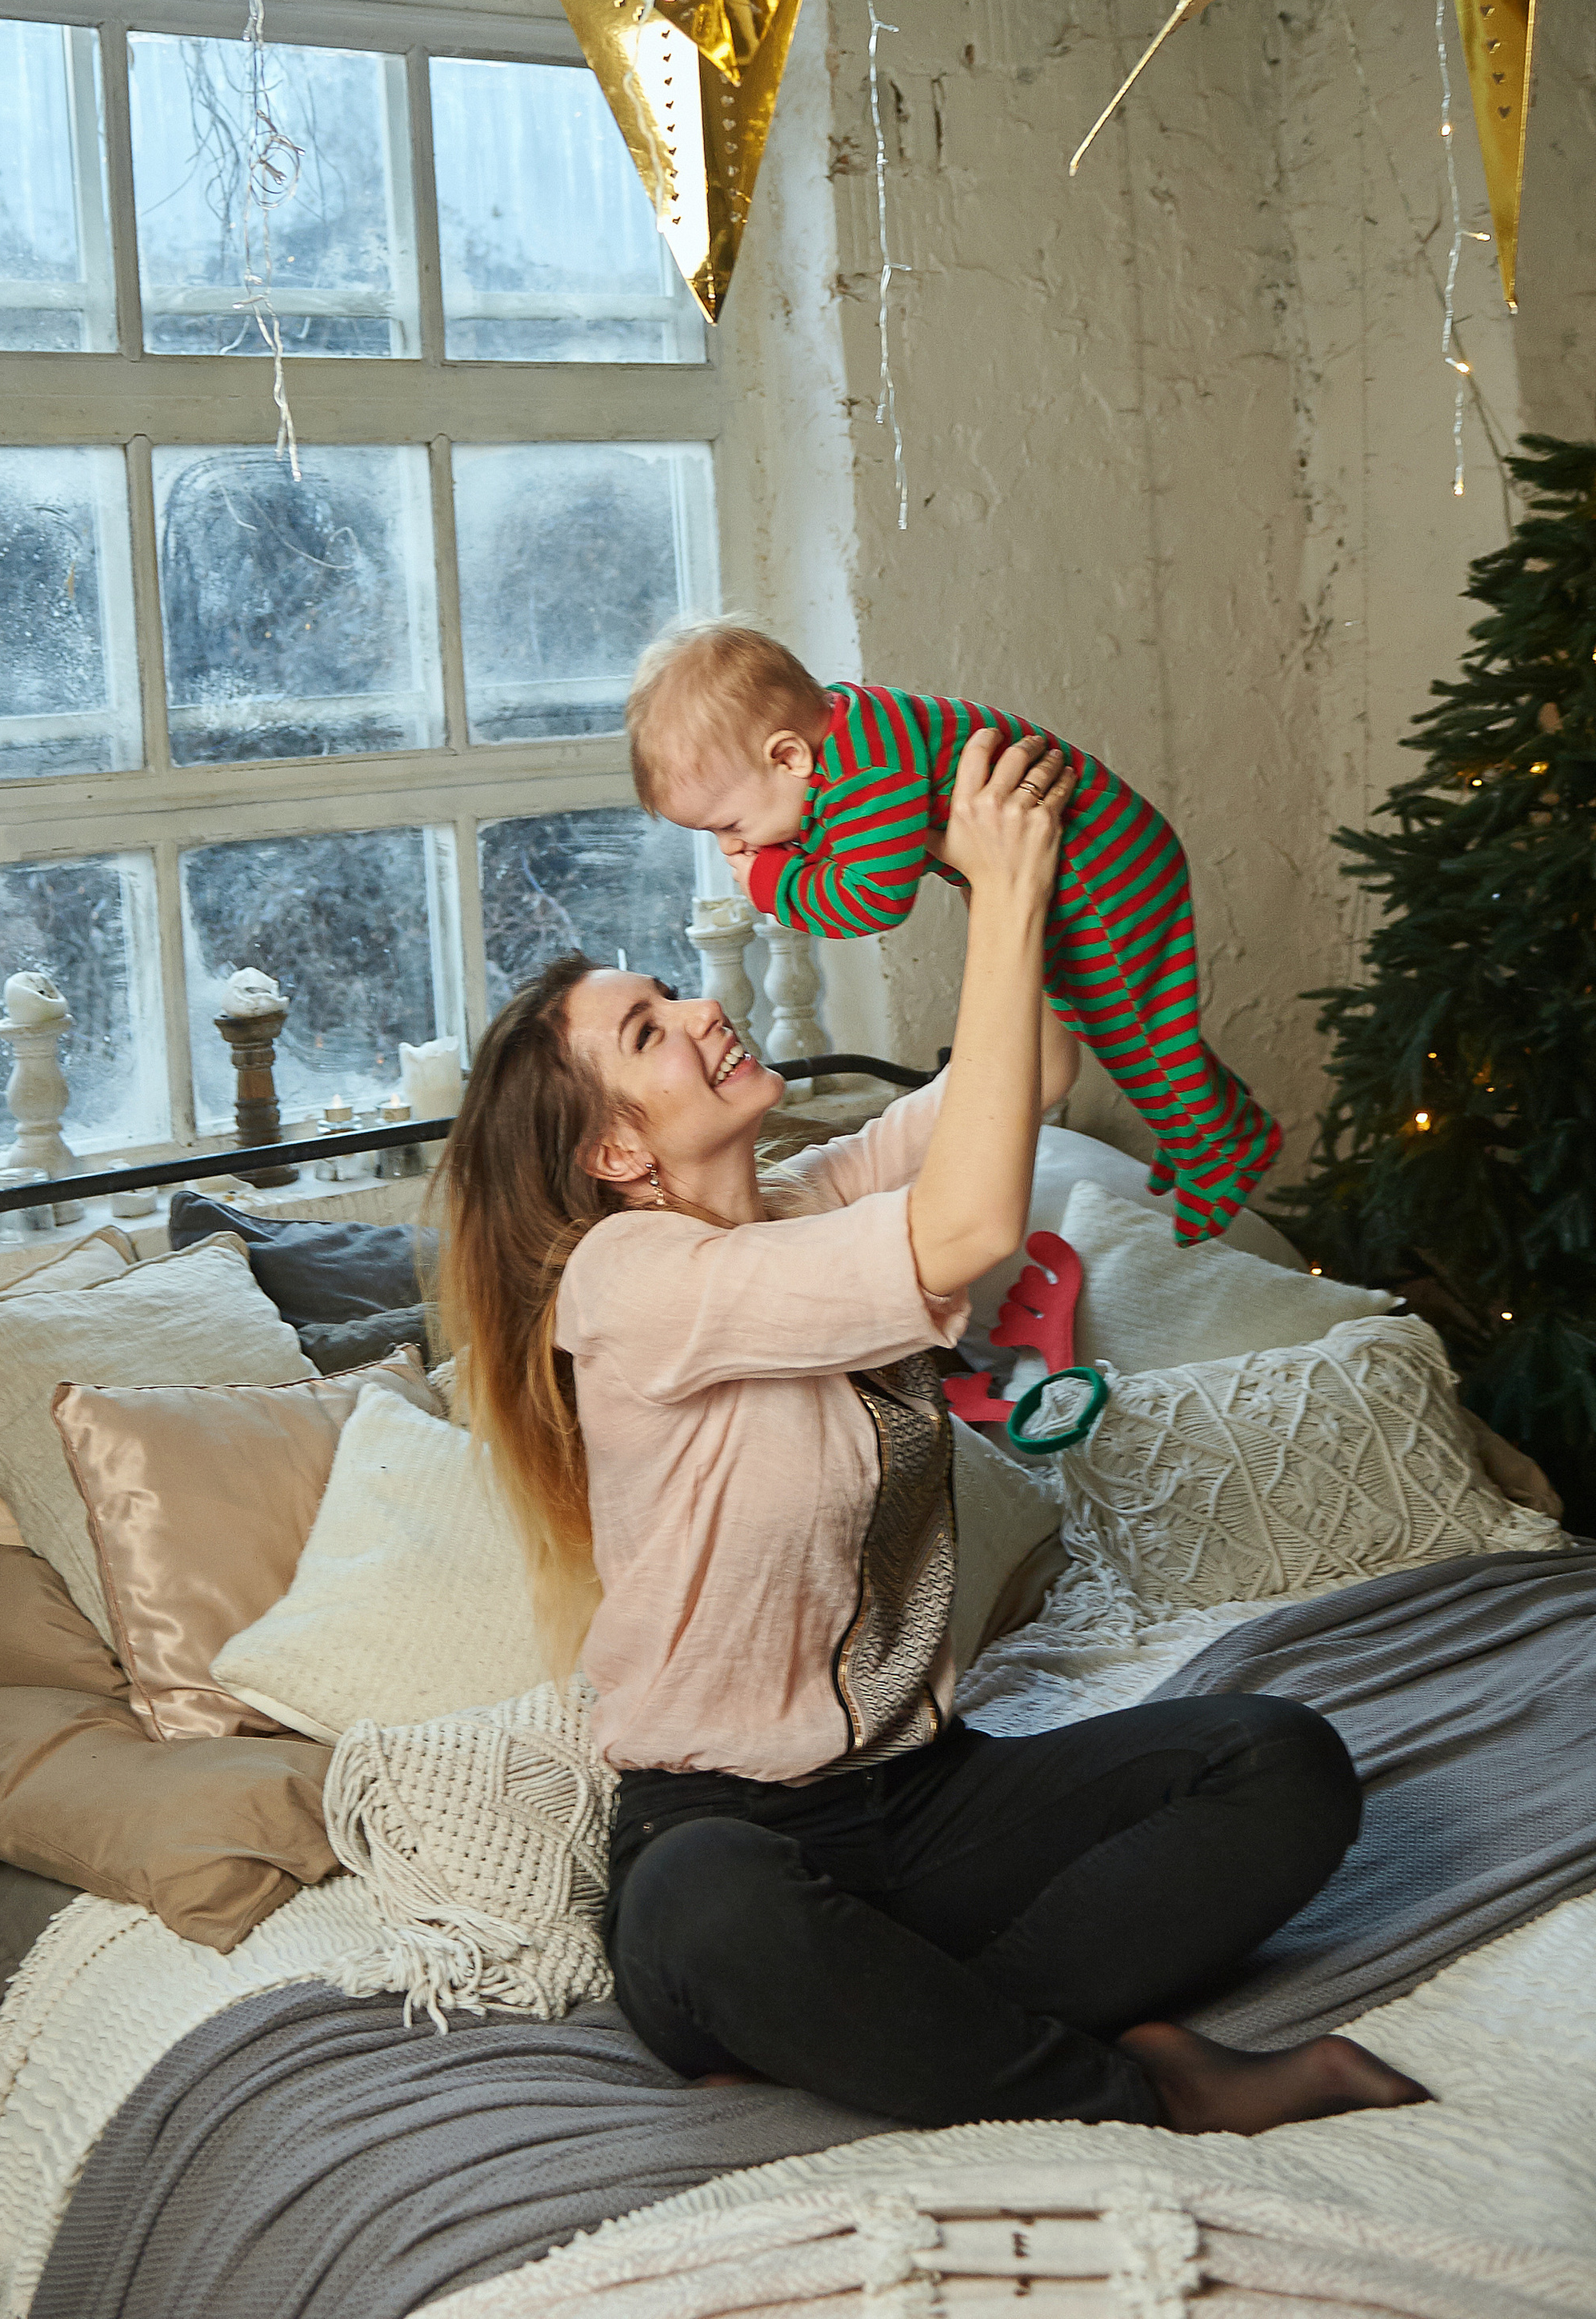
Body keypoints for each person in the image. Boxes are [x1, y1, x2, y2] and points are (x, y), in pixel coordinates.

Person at [433, 724, 1428, 2136]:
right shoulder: (626, 1285)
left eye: (672, 992)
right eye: (649, 1031)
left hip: (919, 1801)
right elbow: (963, 1226)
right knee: (721, 1916)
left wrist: (979, 863)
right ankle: (1141, 2085)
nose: (705, 1010)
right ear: (617, 1155)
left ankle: (886, 2020)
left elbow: (1022, 1083)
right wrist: (1009, 898)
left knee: (1282, 1765)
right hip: (723, 1836)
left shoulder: (813, 1197)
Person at [624, 619, 1278, 1245]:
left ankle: (1223, 1139)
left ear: (788, 756)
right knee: (1104, 1016)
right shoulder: (841, 743)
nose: (733, 846)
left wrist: (772, 881)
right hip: (1080, 867)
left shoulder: (869, 777)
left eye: (729, 825)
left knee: (1132, 1021)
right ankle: (1200, 1132)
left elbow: (872, 903)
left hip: (1100, 866)